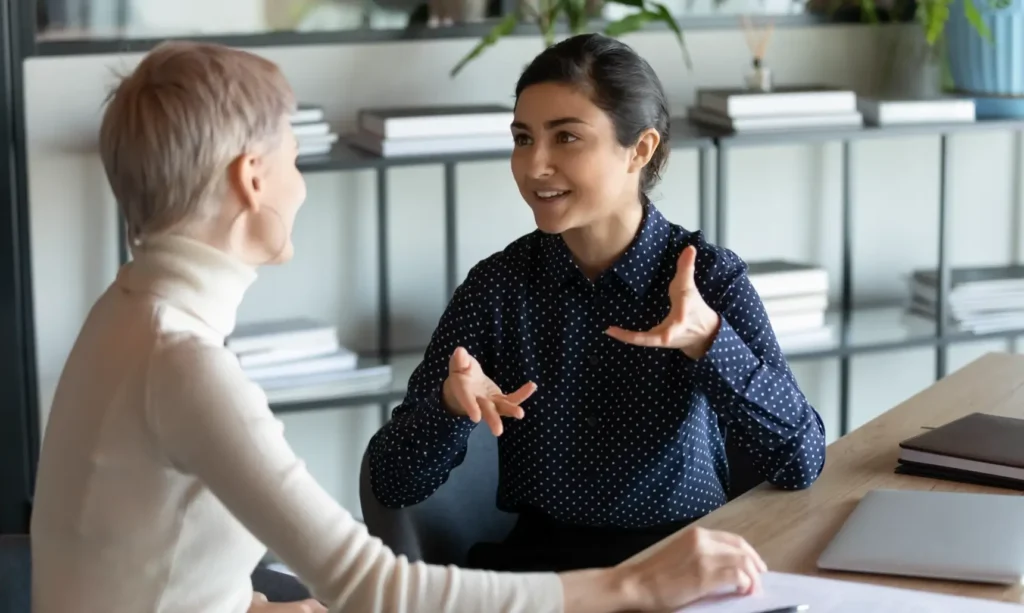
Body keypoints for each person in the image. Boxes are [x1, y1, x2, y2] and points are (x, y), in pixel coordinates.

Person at [28, 40, 769, 613]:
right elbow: (372, 582)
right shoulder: (184, 364)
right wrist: (634, 585)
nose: (302, 182)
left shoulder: (125, 314)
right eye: (293, 156)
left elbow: (132, 555)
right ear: (252, 180)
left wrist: (242, 602)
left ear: (640, 150)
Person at [366, 33, 827, 573]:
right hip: (545, 576)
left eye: (566, 138)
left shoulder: (710, 279)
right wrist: (448, 407)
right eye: (522, 138)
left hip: (687, 563)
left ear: (640, 149)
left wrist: (710, 341)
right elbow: (391, 483)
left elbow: (802, 460)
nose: (534, 165)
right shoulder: (497, 288)